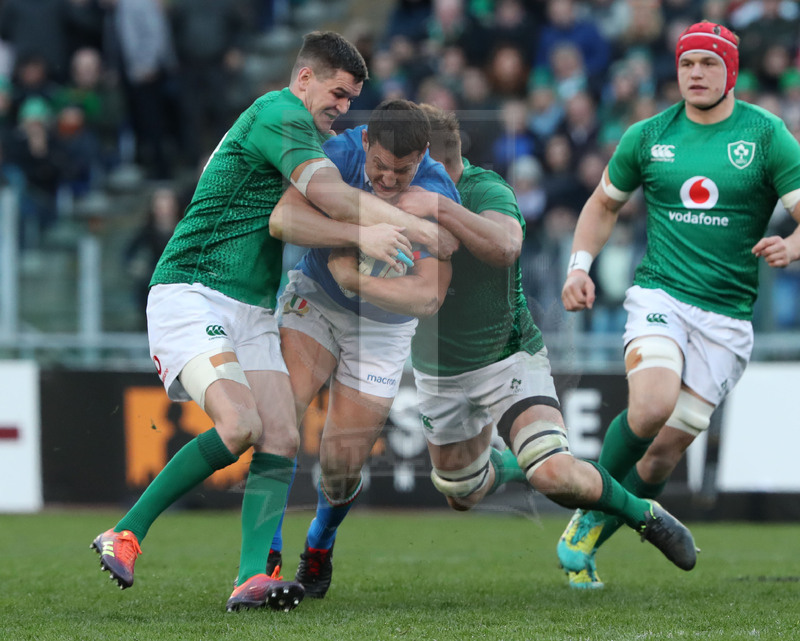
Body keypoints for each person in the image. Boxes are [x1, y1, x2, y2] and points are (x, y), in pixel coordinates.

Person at [90, 31, 453, 613]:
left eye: (351, 98)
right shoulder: (279, 112)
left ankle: (250, 578)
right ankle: (126, 533)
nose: (342, 107)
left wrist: (373, 230)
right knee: (239, 426)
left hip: (254, 309)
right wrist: (396, 226)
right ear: (304, 78)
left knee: (281, 434)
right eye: (336, 93)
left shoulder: (304, 130)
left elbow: (301, 218)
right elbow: (326, 196)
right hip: (194, 290)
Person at [389, 104, 697, 580]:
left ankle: (645, 515)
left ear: (426, 156)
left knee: (552, 473)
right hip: (436, 368)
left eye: (406, 161)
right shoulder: (396, 190)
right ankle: (512, 463)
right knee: (461, 493)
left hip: (505, 358)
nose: (395, 171)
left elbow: (508, 245)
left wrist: (441, 208)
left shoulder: (484, 188)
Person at [556, 20, 800, 589]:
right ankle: (586, 501)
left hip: (728, 317)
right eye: (688, 63)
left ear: (731, 72)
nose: (695, 74)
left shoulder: (766, 136)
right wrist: (578, 267)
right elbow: (602, 204)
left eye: (709, 64)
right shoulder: (648, 135)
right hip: (661, 295)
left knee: (664, 455)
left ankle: (595, 519)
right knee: (650, 407)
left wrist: (790, 244)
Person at [267, 98, 458, 598]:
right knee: (281, 419)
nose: (389, 179)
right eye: (379, 166)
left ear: (422, 158)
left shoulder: (438, 188)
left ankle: (320, 542)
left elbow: (429, 296)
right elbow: (285, 218)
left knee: (340, 462)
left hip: (382, 329)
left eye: (402, 170)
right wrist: (360, 233)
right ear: (366, 142)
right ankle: (264, 559)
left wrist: (354, 278)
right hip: (315, 299)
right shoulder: (338, 152)